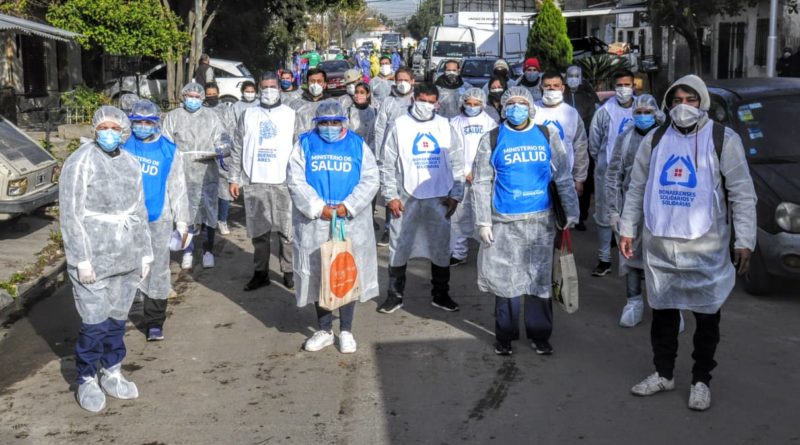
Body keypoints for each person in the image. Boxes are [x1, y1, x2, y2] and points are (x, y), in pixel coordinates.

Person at [619, 75, 757, 411]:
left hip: (705, 248)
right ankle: (663, 373)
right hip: (661, 247)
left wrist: (745, 240)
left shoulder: (723, 139)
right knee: (663, 313)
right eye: (677, 100)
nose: (683, 107)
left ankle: (701, 380)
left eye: (690, 100)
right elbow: (636, 188)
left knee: (706, 317)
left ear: (703, 102)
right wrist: (627, 229)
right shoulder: (655, 139)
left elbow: (742, 193)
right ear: (668, 104)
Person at [471, 86, 579, 356]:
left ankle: (540, 334)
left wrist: (570, 211)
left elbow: (562, 176)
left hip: (541, 221)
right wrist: (483, 222)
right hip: (505, 222)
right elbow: (482, 182)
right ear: (503, 108)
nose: (516, 108)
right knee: (506, 281)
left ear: (530, 106)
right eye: (511, 104)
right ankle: (505, 335)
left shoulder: (547, 134)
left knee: (539, 280)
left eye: (521, 103)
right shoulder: (492, 138)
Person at [60, 106, 153, 412]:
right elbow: (71, 214)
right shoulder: (81, 161)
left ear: (123, 131)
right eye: (104, 128)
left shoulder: (130, 162)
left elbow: (138, 210)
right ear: (95, 129)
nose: (109, 133)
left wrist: (145, 252)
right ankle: (86, 377)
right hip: (93, 255)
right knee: (94, 323)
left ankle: (112, 370)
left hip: (126, 255)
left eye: (115, 128)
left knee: (116, 320)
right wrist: (80, 258)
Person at [287, 100, 380, 353]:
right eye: (324, 122)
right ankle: (325, 329)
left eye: (335, 122)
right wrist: (319, 207)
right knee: (320, 274)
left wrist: (347, 206)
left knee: (346, 272)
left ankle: (346, 330)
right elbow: (295, 180)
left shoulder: (357, 145)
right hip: (316, 221)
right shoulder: (305, 144)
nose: (329, 127)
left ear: (343, 122)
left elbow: (371, 179)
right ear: (316, 123)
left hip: (350, 220)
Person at [377, 82, 465, 314]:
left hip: (439, 196)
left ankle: (441, 294)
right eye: (422, 100)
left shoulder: (444, 126)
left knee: (440, 247)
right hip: (406, 198)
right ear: (413, 99)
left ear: (437, 103)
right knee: (399, 245)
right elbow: (387, 164)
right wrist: (390, 196)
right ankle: (394, 296)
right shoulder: (399, 125)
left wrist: (456, 194)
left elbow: (457, 162)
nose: (426, 105)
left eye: (431, 102)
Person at [122, 99, 189, 341]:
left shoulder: (168, 150)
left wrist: (182, 222)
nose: (142, 126)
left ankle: (154, 321)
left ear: (155, 123)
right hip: (126, 219)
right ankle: (118, 316)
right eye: (137, 122)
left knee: (158, 269)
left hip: (158, 218)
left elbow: (178, 188)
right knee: (126, 265)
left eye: (147, 122)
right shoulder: (123, 146)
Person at [229, 72, 296, 291]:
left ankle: (289, 271)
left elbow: (299, 149)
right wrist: (234, 178)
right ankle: (261, 273)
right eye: (265, 87)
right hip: (255, 179)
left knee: (287, 231)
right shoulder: (248, 115)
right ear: (259, 89)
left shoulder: (291, 115)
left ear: (279, 88)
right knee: (259, 233)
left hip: (283, 180)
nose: (269, 91)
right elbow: (237, 147)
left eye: (272, 86)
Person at [604, 94, 664, 328]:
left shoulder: (666, 137)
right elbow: (613, 175)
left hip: (662, 209)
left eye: (648, 112)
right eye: (638, 112)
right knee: (630, 255)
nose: (643, 116)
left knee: (662, 258)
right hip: (632, 207)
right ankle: (634, 301)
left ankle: (668, 305)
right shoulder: (625, 138)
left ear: (656, 114)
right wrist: (614, 210)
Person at [162, 82, 230, 270]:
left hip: (206, 171)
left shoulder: (211, 116)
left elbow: (222, 138)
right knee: (185, 213)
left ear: (202, 98)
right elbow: (165, 143)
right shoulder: (173, 117)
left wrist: (222, 149)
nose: (193, 99)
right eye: (189, 96)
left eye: (196, 96)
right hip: (181, 171)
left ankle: (208, 250)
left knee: (209, 211)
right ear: (183, 97)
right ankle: (188, 250)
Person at [588, 69, 635, 277]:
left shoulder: (642, 109)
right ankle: (604, 259)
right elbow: (594, 143)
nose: (623, 89)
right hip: (607, 172)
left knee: (633, 214)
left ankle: (634, 260)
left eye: (627, 85)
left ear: (634, 86)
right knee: (605, 215)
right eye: (619, 85)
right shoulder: (604, 112)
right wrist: (603, 164)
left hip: (635, 173)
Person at [448, 88, 497, 266]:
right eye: (468, 103)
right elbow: (452, 149)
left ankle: (488, 252)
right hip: (461, 176)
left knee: (483, 213)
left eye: (476, 104)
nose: (472, 106)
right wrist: (464, 170)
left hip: (484, 176)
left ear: (482, 104)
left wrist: (481, 172)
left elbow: (492, 149)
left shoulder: (490, 123)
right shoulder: (454, 122)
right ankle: (458, 252)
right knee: (459, 216)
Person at [373, 67, 416, 246]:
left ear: (413, 81)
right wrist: (379, 155)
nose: (402, 83)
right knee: (392, 192)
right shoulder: (388, 102)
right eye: (399, 80)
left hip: (414, 155)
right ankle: (389, 229)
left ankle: (412, 231)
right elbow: (379, 129)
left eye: (406, 80)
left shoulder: (417, 100)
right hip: (392, 156)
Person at [532, 71, 589, 200]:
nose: (551, 88)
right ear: (541, 87)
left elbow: (580, 147)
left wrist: (579, 179)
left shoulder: (571, 113)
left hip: (566, 177)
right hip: (536, 176)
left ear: (562, 88)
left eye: (556, 85)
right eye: (547, 86)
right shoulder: (532, 111)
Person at [564, 65, 600, 232]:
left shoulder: (588, 97)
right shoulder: (561, 95)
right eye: (570, 75)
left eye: (576, 75)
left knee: (583, 180)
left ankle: (581, 215)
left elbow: (594, 119)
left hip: (583, 142)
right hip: (565, 144)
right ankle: (565, 213)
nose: (573, 78)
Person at [204, 83, 236, 236]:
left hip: (223, 153)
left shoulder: (226, 110)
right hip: (205, 153)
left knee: (224, 190)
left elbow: (232, 130)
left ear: (218, 93)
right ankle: (206, 220)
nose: (211, 97)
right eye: (208, 94)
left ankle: (222, 220)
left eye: (213, 94)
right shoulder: (201, 111)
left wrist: (228, 149)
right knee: (206, 190)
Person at [292, 68, 330, 134]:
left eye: (319, 81)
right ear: (307, 83)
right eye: (312, 81)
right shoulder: (297, 105)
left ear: (324, 84)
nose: (315, 84)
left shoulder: (331, 105)